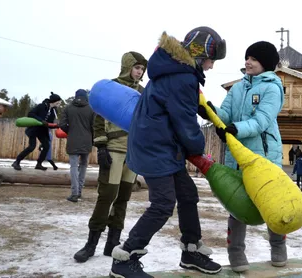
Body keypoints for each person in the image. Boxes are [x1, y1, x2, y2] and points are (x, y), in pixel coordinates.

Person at [110, 27, 226, 278]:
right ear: (199, 53)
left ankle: (190, 251)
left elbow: (179, 106)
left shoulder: (175, 70)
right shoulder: (182, 77)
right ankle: (125, 258)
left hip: (162, 145)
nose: (211, 66)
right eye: (211, 60)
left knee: (187, 194)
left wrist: (203, 108)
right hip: (156, 147)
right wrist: (198, 149)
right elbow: (184, 122)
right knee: (163, 203)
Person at [202, 41, 286, 272]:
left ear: (266, 63)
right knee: (236, 206)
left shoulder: (273, 88)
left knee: (272, 204)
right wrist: (209, 110)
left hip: (263, 157)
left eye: (254, 59)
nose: (248, 62)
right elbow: (226, 114)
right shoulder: (238, 87)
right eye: (247, 58)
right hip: (237, 156)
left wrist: (236, 129)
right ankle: (236, 253)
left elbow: (261, 121)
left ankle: (278, 246)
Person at [73, 52, 147, 263]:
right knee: (107, 196)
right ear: (127, 66)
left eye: (142, 69)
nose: (139, 72)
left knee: (123, 197)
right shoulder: (110, 88)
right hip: (113, 150)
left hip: (133, 154)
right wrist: (102, 146)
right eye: (136, 67)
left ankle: (112, 244)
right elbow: (98, 118)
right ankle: (90, 244)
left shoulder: (143, 93)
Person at [59, 89, 95, 203]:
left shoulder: (68, 108)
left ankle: (74, 193)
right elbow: (94, 126)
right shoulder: (91, 109)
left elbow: (62, 124)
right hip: (86, 141)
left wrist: (70, 131)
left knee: (73, 167)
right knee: (83, 166)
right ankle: (79, 191)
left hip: (73, 140)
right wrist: (92, 139)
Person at [12, 92, 62, 171]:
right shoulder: (41, 106)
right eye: (59, 102)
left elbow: (48, 124)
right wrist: (41, 120)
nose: (59, 104)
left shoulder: (53, 111)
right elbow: (31, 114)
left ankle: (39, 164)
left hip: (42, 131)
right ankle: (17, 162)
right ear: (54, 101)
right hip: (34, 129)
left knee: (46, 146)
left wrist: (55, 126)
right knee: (32, 147)